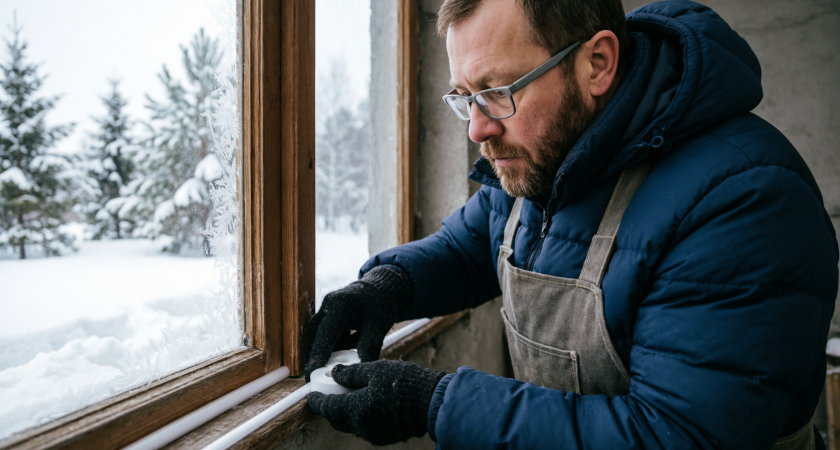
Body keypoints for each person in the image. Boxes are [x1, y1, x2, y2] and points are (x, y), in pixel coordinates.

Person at [303, 0, 839, 448]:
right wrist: (389, 285)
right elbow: (473, 245)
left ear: (598, 64)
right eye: (465, 98)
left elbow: (673, 436)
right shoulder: (543, 159)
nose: (478, 128)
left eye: (497, 90)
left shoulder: (744, 199)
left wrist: (435, 404)